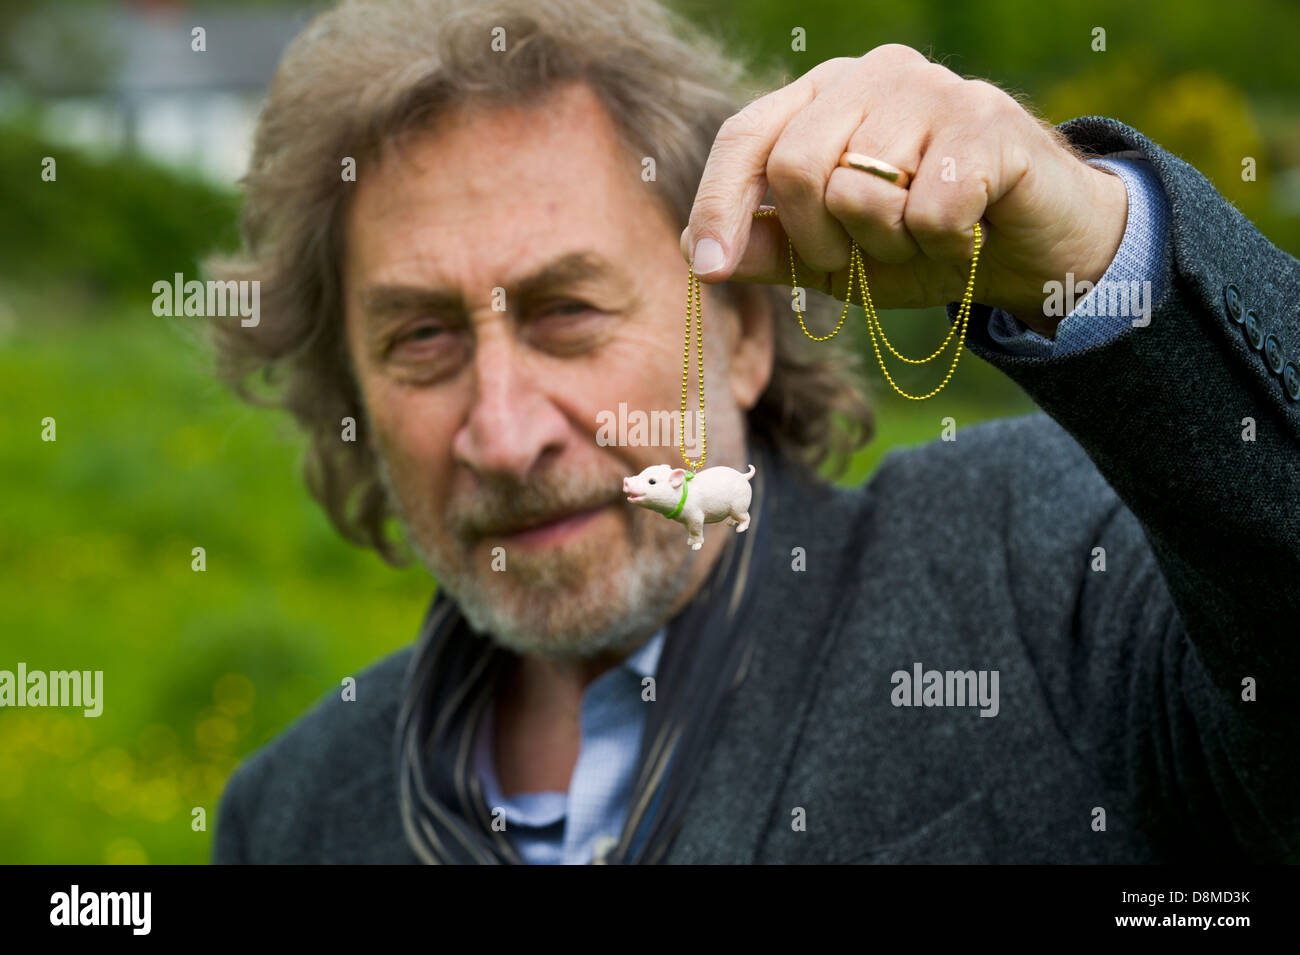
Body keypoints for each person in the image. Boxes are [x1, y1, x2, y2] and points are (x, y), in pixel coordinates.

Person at [208, 0, 1299, 864]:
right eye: (423, 338)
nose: (503, 433)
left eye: (568, 311)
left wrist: (1094, 246)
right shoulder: (291, 813)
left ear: (741, 330)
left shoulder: (1043, 574)